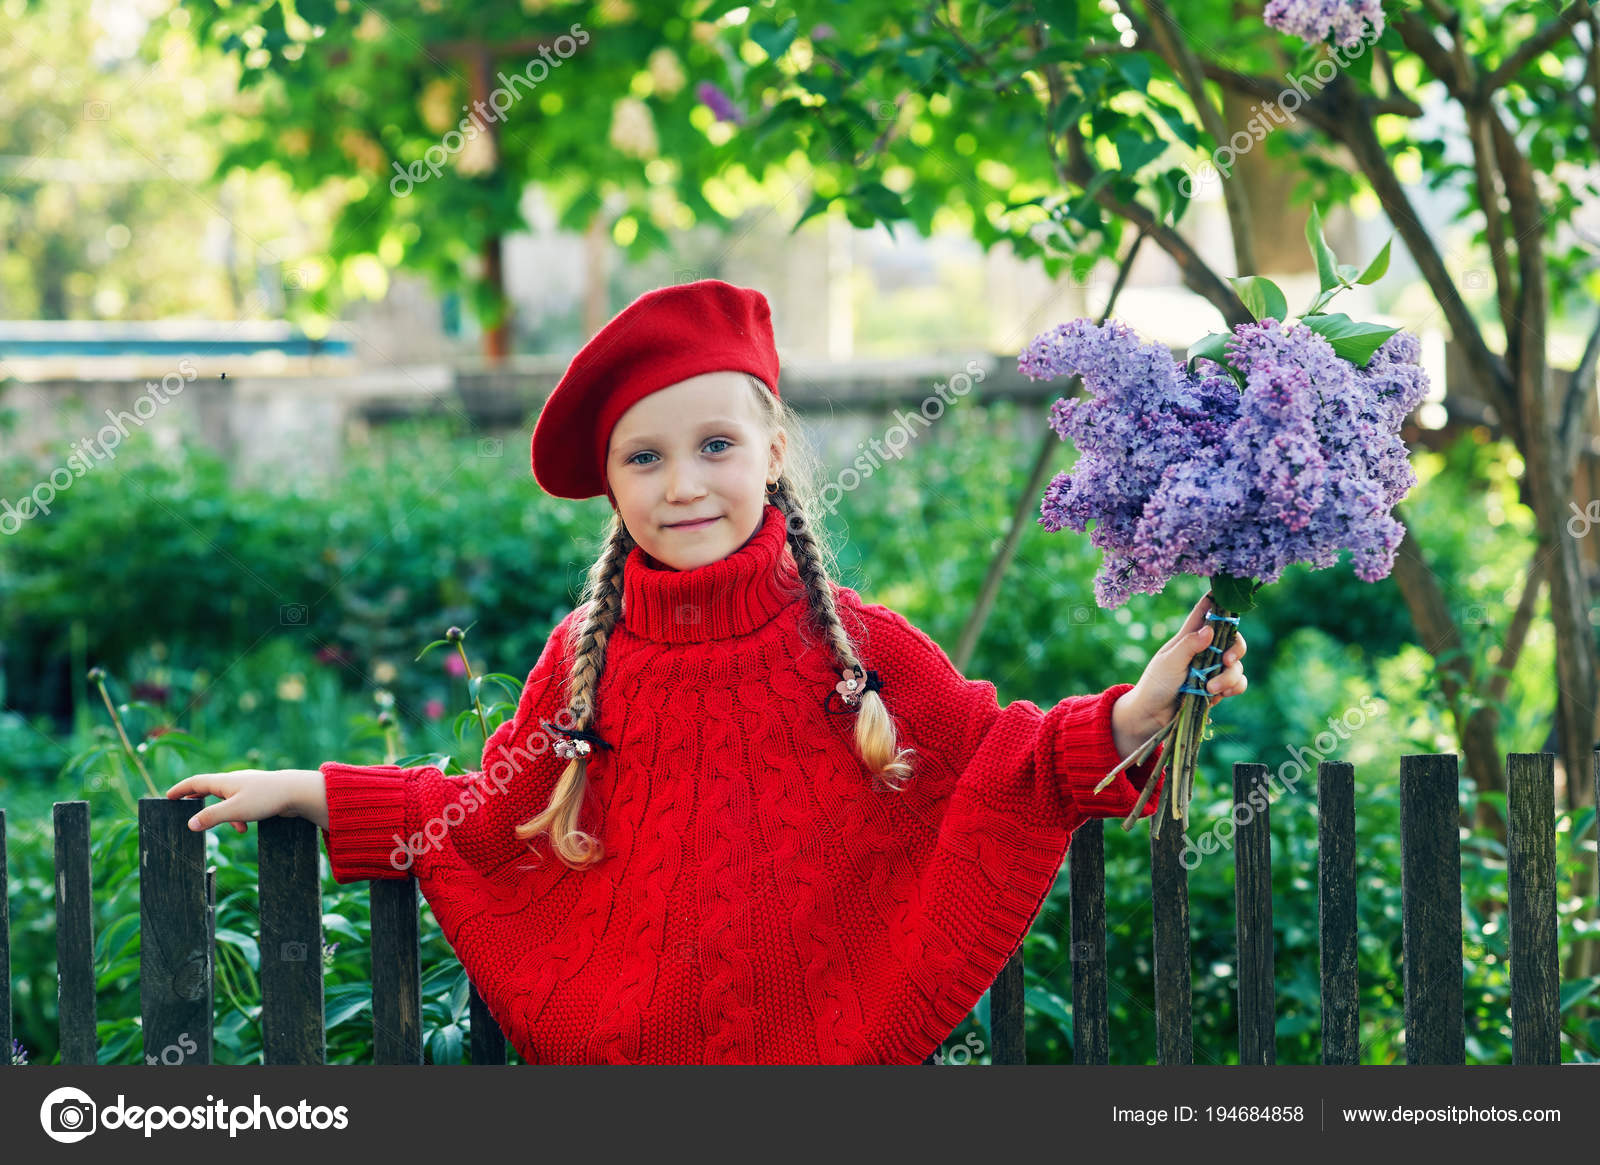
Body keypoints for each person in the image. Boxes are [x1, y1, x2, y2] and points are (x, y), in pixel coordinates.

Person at [167, 279, 1247, 1065]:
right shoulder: (584, 660)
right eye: (644, 456)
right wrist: (309, 791)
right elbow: (484, 820)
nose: (682, 483)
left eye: (714, 446)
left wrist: (1140, 710)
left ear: (772, 447)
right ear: (609, 482)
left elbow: (1002, 761)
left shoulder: (855, 649)